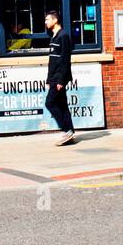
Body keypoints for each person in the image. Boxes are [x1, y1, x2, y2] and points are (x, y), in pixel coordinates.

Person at [43, 9, 75, 147]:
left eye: (47, 19)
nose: (46, 22)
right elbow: (52, 62)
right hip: (54, 78)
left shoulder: (63, 36)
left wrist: (60, 80)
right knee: (62, 105)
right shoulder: (54, 36)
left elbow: (64, 60)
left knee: (50, 103)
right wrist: (49, 80)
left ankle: (66, 130)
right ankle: (70, 132)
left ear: (55, 20)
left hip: (59, 78)